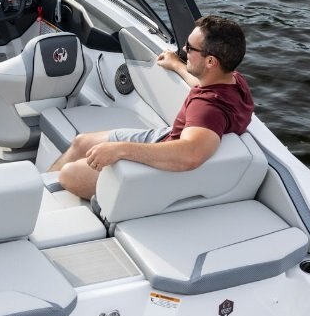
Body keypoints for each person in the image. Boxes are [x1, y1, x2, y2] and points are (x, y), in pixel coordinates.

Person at [50, 15, 254, 199]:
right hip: (164, 138)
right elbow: (201, 84)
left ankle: (41, 195)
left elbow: (190, 154)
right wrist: (177, 65)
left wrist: (119, 150)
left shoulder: (207, 108)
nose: (184, 50)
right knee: (81, 142)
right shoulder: (234, 81)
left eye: (190, 48)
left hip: (157, 167)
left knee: (69, 174)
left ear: (210, 62)